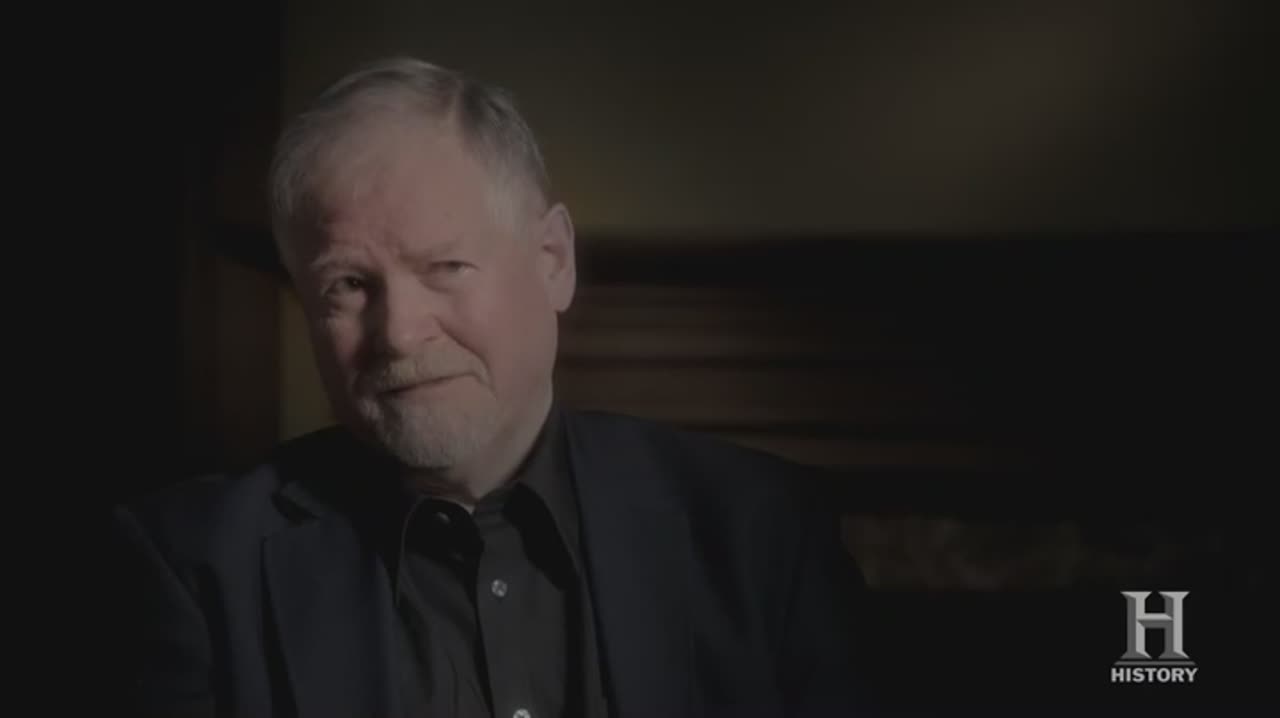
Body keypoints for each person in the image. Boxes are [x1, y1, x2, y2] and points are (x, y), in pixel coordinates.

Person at [108, 57, 879, 718]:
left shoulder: (764, 532)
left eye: (445, 267)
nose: (399, 333)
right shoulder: (192, 568)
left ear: (553, 262)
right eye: (348, 285)